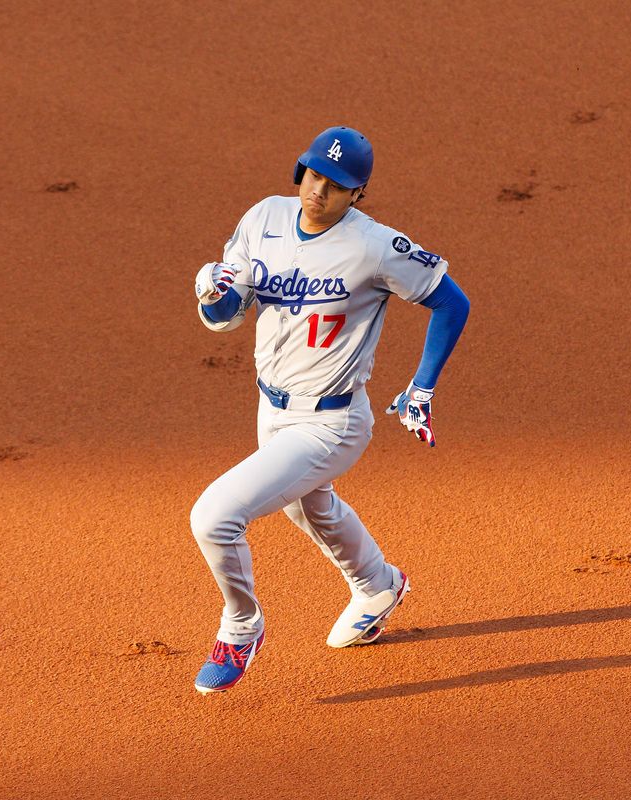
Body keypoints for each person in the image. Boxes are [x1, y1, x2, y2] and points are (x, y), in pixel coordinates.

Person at [187, 126, 470, 694]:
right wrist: (210, 295)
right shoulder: (262, 218)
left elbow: (451, 301)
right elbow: (227, 315)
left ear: (356, 194)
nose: (319, 192)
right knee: (309, 508)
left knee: (214, 517)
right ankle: (376, 585)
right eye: (314, 175)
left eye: (336, 185)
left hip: (332, 423)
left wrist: (422, 386)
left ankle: (241, 626)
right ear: (301, 171)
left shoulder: (376, 246)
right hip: (271, 409)